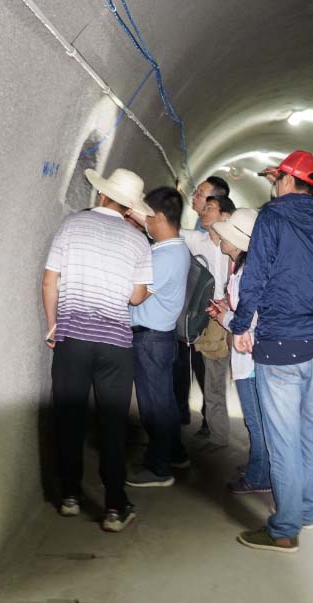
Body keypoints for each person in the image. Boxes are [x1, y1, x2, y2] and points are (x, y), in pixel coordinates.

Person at [231, 150, 313, 553]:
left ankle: (284, 528)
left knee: (283, 440)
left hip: (280, 342)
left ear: (286, 180)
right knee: (312, 431)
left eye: (277, 179)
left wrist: (240, 325)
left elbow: (256, 276)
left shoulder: (273, 217)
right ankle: (307, 510)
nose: (274, 185)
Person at [41, 168, 153, 532]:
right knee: (112, 426)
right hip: (115, 346)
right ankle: (115, 508)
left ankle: (70, 497)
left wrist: (53, 325)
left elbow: (49, 281)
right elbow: (135, 296)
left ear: (102, 194)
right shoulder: (137, 240)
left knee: (69, 419)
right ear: (130, 207)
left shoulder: (72, 226)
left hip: (73, 339)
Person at [124, 187, 191, 488]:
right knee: (163, 401)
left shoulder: (165, 256)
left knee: (155, 406)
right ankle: (175, 452)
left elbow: (136, 297)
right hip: (159, 337)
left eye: (148, 215)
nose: (145, 221)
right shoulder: (174, 247)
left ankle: (159, 468)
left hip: (150, 340)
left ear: (160, 217)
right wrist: (136, 214)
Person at [209, 208, 272, 494]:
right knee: (255, 418)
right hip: (248, 354)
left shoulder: (249, 274)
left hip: (251, 355)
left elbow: (250, 321)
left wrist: (223, 316)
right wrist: (228, 308)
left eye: (226, 235)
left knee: (256, 420)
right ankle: (258, 465)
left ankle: (261, 477)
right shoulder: (242, 269)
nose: (221, 238)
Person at [174, 177, 231, 430]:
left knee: (215, 372)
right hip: (203, 312)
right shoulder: (199, 238)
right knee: (203, 368)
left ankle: (215, 426)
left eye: (208, 203)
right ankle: (209, 424)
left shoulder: (234, 243)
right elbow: (172, 232)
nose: (197, 198)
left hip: (227, 314)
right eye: (198, 196)